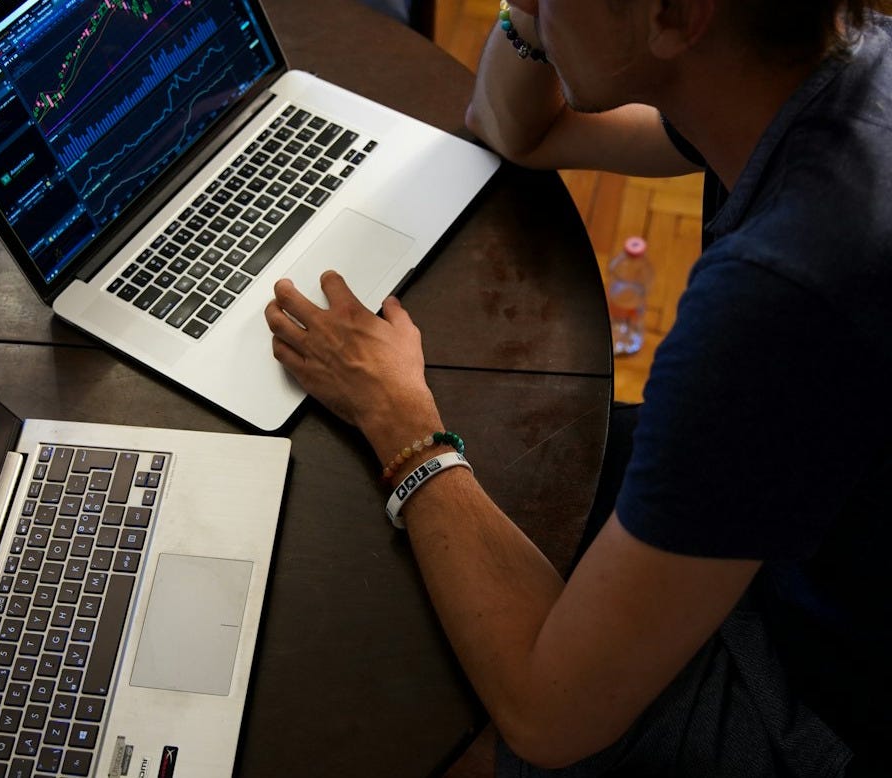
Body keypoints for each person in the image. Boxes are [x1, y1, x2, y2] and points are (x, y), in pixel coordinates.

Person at [264, 0, 892, 775]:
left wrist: (398, 420)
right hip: (810, 532)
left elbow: (547, 717)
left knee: (421, 718)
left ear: (677, 18)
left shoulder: (778, 297)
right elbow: (517, 130)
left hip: (824, 703)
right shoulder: (813, 73)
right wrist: (537, 18)